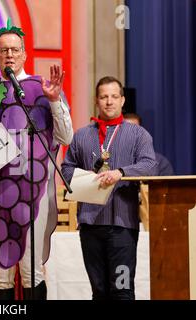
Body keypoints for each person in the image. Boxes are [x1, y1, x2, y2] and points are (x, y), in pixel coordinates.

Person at [0, 19, 73, 300]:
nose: (10, 55)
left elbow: (66, 137)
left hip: (33, 194)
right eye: (4, 51)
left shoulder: (43, 87)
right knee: (0, 273)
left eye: (15, 50)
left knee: (31, 271)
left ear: (25, 54)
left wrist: (54, 100)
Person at [61, 76, 158, 300]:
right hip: (90, 224)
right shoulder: (82, 136)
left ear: (123, 100)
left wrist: (121, 173)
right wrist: (86, 179)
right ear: (97, 101)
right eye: (104, 97)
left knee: (122, 290)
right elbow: (66, 169)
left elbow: (150, 165)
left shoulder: (138, 134)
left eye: (114, 96)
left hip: (122, 226)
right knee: (99, 291)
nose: (109, 101)